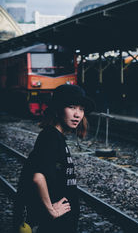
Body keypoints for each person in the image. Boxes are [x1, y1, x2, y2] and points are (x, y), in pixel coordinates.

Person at [13, 84, 95, 233]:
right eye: (71, 107)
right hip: (55, 224)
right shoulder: (50, 137)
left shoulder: (56, 137)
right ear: (57, 109)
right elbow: (38, 177)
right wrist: (51, 210)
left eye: (81, 109)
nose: (77, 114)